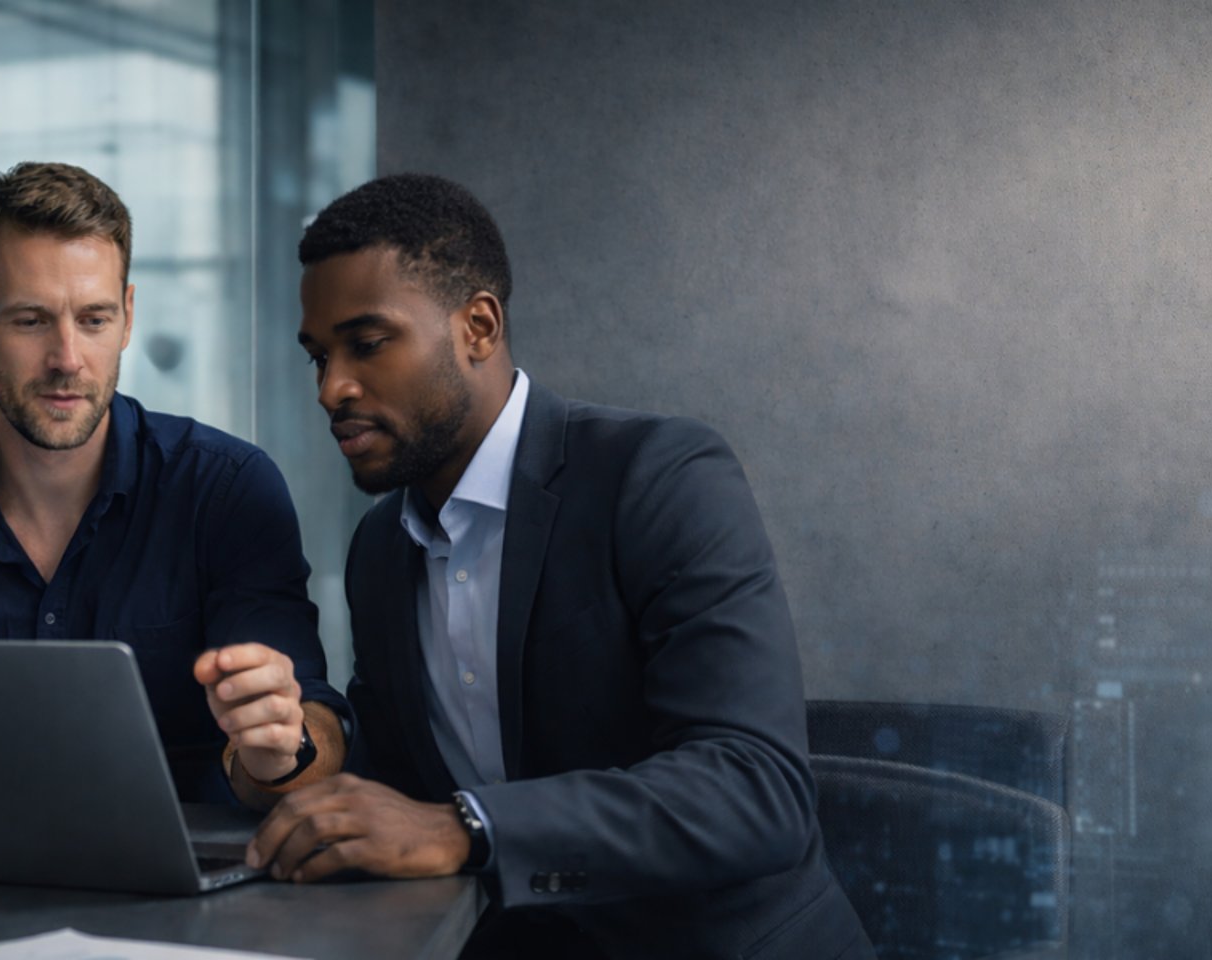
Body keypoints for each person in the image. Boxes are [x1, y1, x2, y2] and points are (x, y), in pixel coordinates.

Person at [250, 173, 874, 959]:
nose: (332, 388)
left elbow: (756, 789)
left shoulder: (659, 477)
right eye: (319, 357)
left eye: (367, 344)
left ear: (478, 326)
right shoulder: (381, 548)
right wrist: (295, 752)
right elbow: (400, 791)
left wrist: (466, 825)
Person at [0, 162, 345, 828]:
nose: (67, 358)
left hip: (189, 905)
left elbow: (310, 731)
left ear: (127, 318)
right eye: (31, 321)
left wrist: (278, 756)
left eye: (93, 319)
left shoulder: (226, 491)